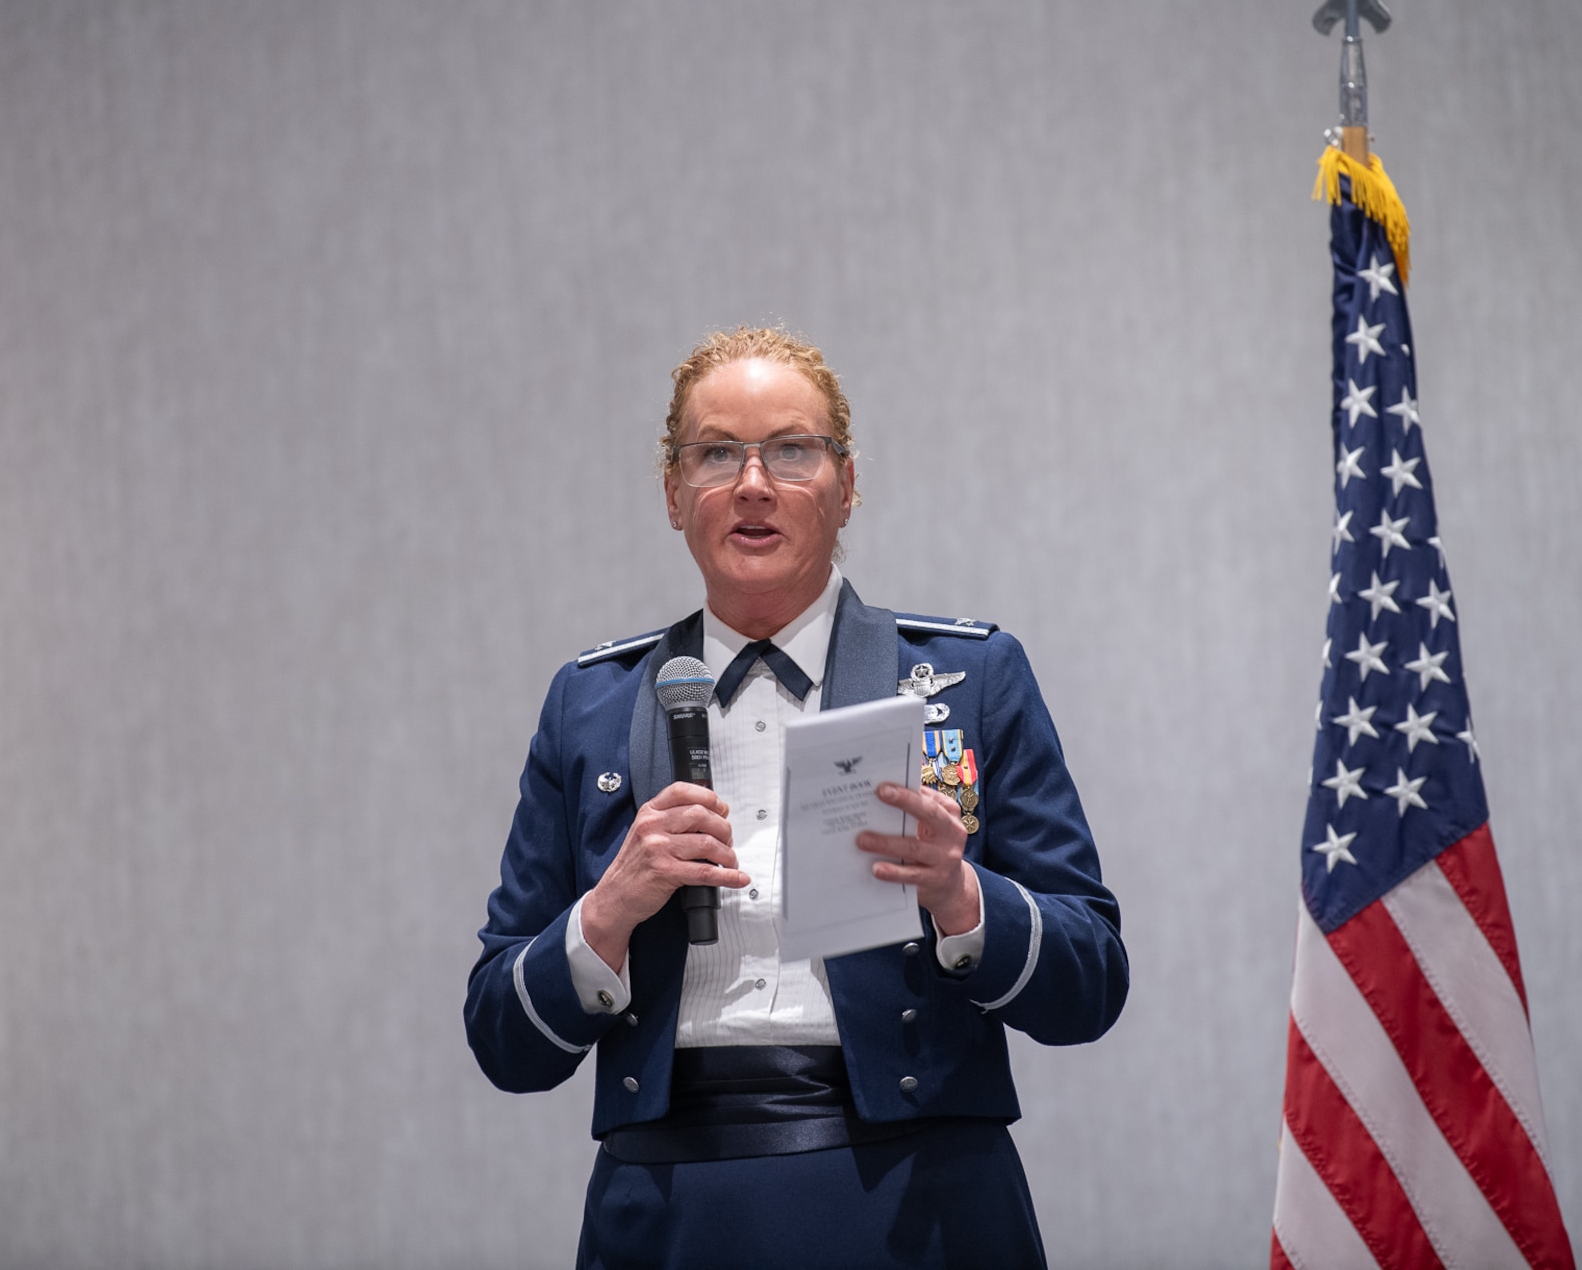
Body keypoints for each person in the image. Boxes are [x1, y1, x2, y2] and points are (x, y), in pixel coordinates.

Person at [466, 326, 1128, 1269]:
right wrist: (606, 913)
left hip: (921, 1192)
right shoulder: (591, 703)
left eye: (791, 448)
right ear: (671, 494)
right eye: (714, 453)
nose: (752, 482)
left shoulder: (971, 677)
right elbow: (501, 1037)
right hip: (667, 1202)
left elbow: (1092, 982)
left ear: (846, 483)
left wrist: (960, 897)